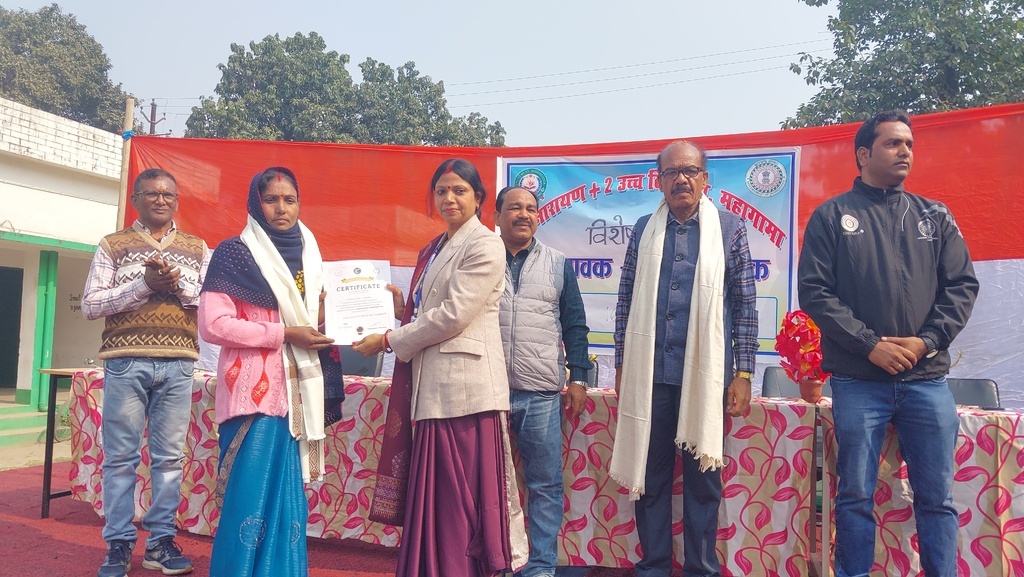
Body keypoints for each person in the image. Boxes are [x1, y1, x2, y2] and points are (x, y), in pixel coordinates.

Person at [798, 110, 979, 577]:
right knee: (855, 495)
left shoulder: (934, 215)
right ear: (863, 154)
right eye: (893, 143)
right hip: (859, 381)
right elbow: (815, 292)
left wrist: (926, 342)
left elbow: (961, 286)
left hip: (926, 381)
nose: (905, 152)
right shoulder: (832, 216)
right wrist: (869, 345)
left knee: (936, 498)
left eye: (909, 144)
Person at [353, 158, 528, 576]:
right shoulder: (434, 248)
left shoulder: (484, 244)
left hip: (466, 392)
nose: (449, 198)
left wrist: (390, 340)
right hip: (434, 390)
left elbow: (453, 314)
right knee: (439, 498)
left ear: (479, 199)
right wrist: (403, 309)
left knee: (459, 501)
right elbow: (430, 311)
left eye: (459, 190)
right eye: (442, 191)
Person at [609, 140, 758, 577]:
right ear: (659, 181)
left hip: (707, 377)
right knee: (650, 478)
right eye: (672, 172)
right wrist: (622, 364)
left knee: (703, 482)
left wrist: (744, 372)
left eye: (690, 171)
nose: (681, 179)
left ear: (704, 179)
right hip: (649, 376)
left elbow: (745, 305)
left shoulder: (729, 228)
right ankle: (654, 566)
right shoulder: (644, 229)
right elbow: (626, 299)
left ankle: (700, 569)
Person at [198, 167, 344, 577]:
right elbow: (213, 325)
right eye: (272, 199)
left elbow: (311, 321)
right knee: (249, 495)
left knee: (286, 499)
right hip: (253, 394)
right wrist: (283, 334)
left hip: (298, 397)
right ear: (255, 203)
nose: (282, 208)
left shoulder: (310, 255)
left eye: (289, 199)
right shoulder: (234, 253)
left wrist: (343, 314)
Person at [82, 168, 210, 577]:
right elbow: (90, 305)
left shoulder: (197, 247)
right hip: (126, 361)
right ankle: (119, 545)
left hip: (179, 363)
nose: (161, 199)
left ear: (177, 201)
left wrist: (175, 285)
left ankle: (159, 544)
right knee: (120, 458)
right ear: (135, 199)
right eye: (152, 193)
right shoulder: (112, 245)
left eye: (169, 194)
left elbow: (210, 304)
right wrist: (144, 286)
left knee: (169, 459)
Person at [494, 185, 593, 577]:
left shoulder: (557, 263)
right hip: (488, 390)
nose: (524, 214)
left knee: (544, 486)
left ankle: (540, 567)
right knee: (489, 484)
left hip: (540, 395)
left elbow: (575, 325)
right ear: (497, 216)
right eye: (514, 207)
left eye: (531, 209)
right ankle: (497, 562)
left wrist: (579, 378)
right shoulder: (481, 259)